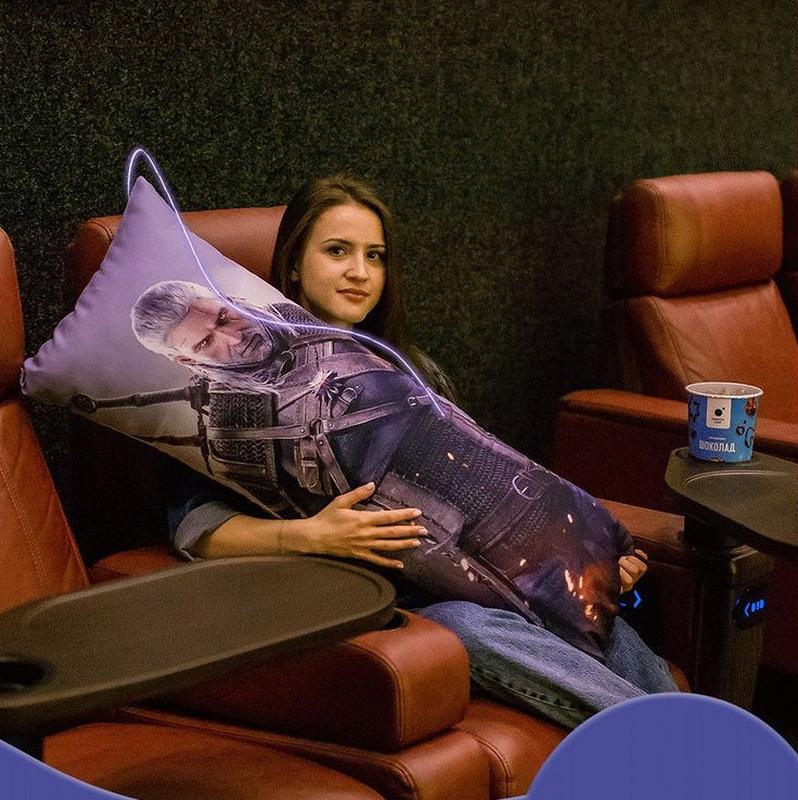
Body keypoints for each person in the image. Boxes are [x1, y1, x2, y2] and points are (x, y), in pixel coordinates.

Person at [153, 174, 678, 728]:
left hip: (486, 567)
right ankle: (657, 737)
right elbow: (194, 527)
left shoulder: (410, 369)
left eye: (374, 256)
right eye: (337, 251)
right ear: (293, 266)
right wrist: (312, 535)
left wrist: (585, 558)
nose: (360, 272)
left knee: (585, 610)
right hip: (384, 595)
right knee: (466, 627)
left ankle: (697, 742)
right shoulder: (226, 415)